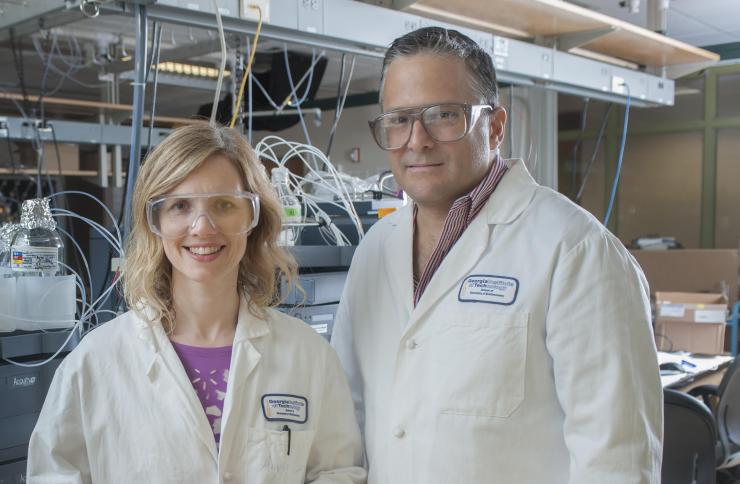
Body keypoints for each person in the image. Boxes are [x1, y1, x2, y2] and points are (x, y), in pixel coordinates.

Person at [331, 27, 662, 484]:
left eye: (444, 115)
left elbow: (618, 460)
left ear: (496, 125)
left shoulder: (575, 249)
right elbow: (349, 414)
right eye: (399, 118)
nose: (417, 139)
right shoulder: (373, 251)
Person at [27, 122, 366, 484]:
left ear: (252, 218)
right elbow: (54, 474)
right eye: (180, 206)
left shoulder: (308, 356)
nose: (202, 227)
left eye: (224, 204)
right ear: (154, 220)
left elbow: (338, 471)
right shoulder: (95, 362)